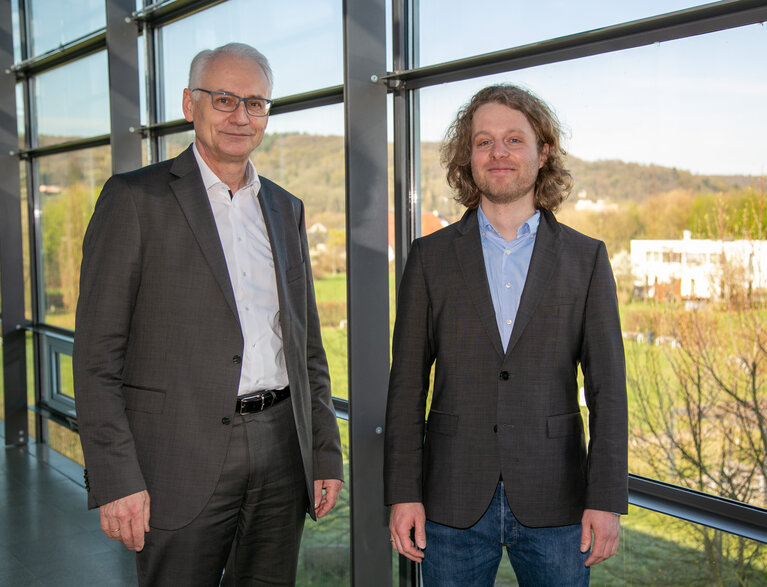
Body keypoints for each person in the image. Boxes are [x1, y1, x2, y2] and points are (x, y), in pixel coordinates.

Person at [73, 42, 343, 586]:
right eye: (224, 99)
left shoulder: (285, 208)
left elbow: (305, 344)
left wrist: (324, 452)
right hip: (175, 456)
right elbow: (97, 356)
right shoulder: (134, 200)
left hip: (280, 450)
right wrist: (115, 478)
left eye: (256, 103)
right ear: (188, 104)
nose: (241, 116)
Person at [384, 84, 628, 586]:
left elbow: (609, 389)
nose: (498, 152)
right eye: (484, 141)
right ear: (466, 157)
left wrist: (605, 500)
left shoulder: (586, 259)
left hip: (557, 499)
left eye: (515, 140)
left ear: (544, 153)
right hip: (449, 500)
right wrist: (403, 493)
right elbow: (406, 387)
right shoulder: (429, 258)